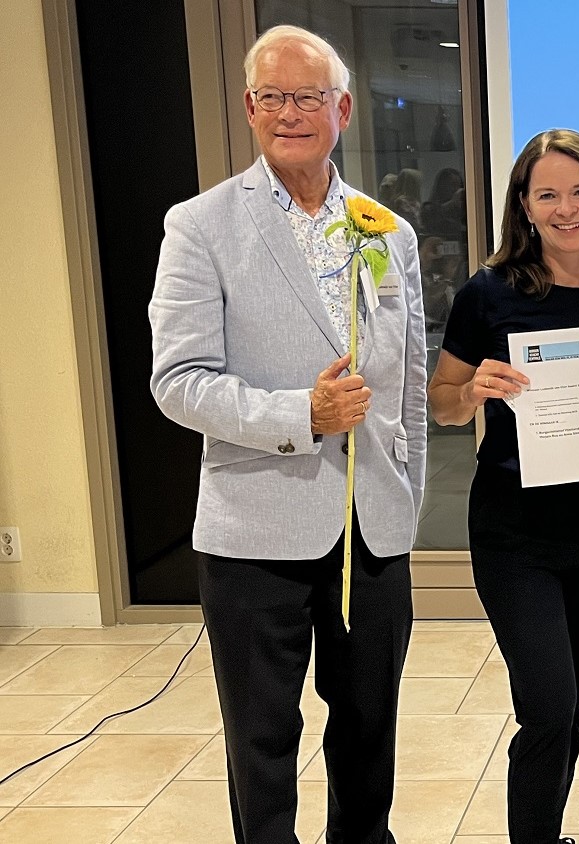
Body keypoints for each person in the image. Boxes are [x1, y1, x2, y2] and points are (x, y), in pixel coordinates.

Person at [148, 25, 426, 844]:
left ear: (342, 109)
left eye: (310, 96)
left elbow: (405, 382)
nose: (291, 112)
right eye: (274, 96)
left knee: (369, 731)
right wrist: (297, 417)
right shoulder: (199, 227)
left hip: (371, 531)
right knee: (264, 743)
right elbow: (177, 382)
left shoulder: (390, 232)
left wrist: (403, 495)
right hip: (253, 532)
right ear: (248, 107)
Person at [428, 129, 579, 844]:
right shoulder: (486, 294)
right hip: (514, 532)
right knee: (549, 709)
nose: (565, 209)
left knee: (573, 706)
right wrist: (474, 392)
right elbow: (440, 400)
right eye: (547, 194)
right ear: (524, 207)